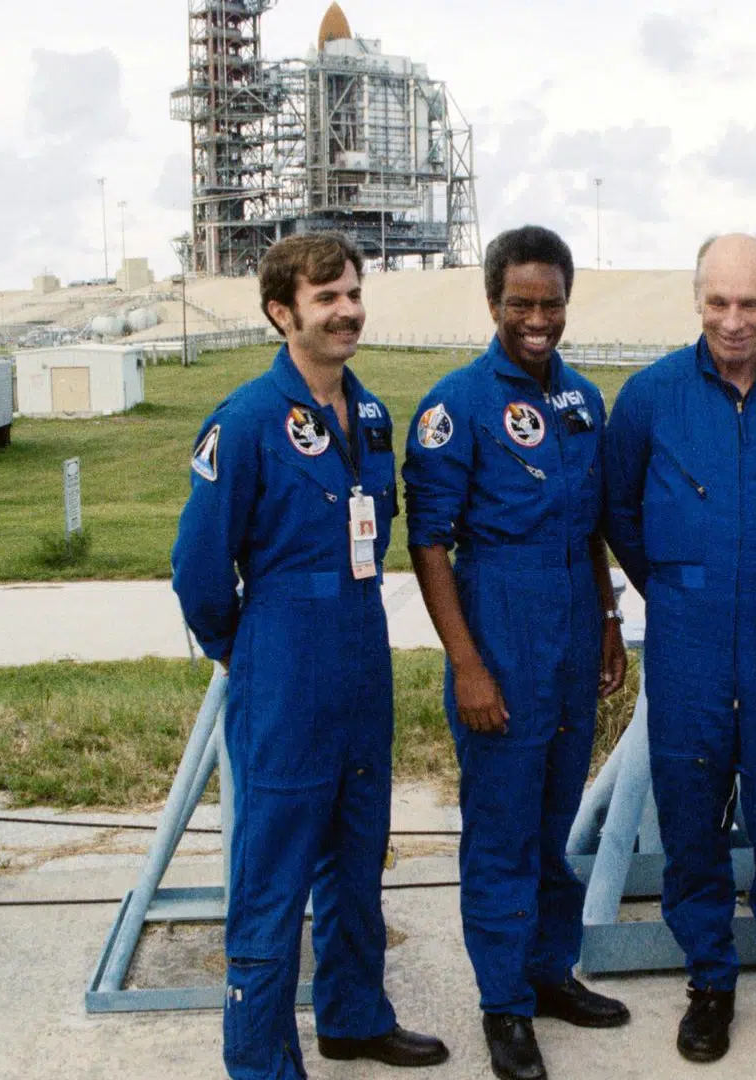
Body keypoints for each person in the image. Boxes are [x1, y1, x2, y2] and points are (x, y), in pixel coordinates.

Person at [172, 232, 450, 1080]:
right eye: (326, 297)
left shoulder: (368, 415)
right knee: (274, 870)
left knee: (359, 852)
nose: (346, 310)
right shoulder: (248, 421)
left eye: (353, 293)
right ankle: (260, 1061)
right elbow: (199, 568)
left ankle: (354, 1015)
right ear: (280, 313)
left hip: (362, 652)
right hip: (285, 659)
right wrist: (244, 651)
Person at [602, 233, 756, 1067]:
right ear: (696, 298)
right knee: (692, 807)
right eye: (717, 302)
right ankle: (709, 979)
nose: (733, 321)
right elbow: (620, 507)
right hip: (687, 629)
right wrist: (677, 583)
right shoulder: (650, 396)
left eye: (749, 302)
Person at [403, 225, 631, 1080]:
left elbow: (594, 525)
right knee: (500, 831)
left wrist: (608, 621)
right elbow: (428, 543)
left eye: (551, 302)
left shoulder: (580, 401)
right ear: (493, 301)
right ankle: (503, 1005)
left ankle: (546, 974)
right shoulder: (455, 404)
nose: (537, 319)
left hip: (573, 619)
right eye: (520, 303)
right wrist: (467, 664)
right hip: (498, 617)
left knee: (553, 822)